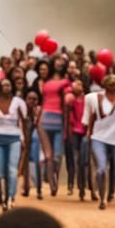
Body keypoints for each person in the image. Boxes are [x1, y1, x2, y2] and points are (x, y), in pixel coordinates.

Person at [0, 77, 27, 210]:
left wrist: (23, 139)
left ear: (12, 87)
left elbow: (23, 123)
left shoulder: (19, 103)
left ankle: (10, 197)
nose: (6, 87)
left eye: (8, 85)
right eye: (4, 85)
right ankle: (3, 197)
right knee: (0, 171)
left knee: (12, 169)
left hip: (14, 138)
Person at [84, 76, 115, 210]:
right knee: (102, 168)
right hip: (99, 138)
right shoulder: (94, 98)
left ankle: (111, 192)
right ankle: (102, 199)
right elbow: (90, 116)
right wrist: (88, 133)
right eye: (110, 84)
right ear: (105, 85)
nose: (112, 87)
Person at [38, 60, 71, 196]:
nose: (59, 65)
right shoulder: (47, 82)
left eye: (61, 64)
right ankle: (52, 182)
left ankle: (53, 175)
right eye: (56, 63)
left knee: (57, 155)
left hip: (58, 119)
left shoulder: (66, 82)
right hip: (45, 118)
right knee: (48, 155)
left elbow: (67, 100)